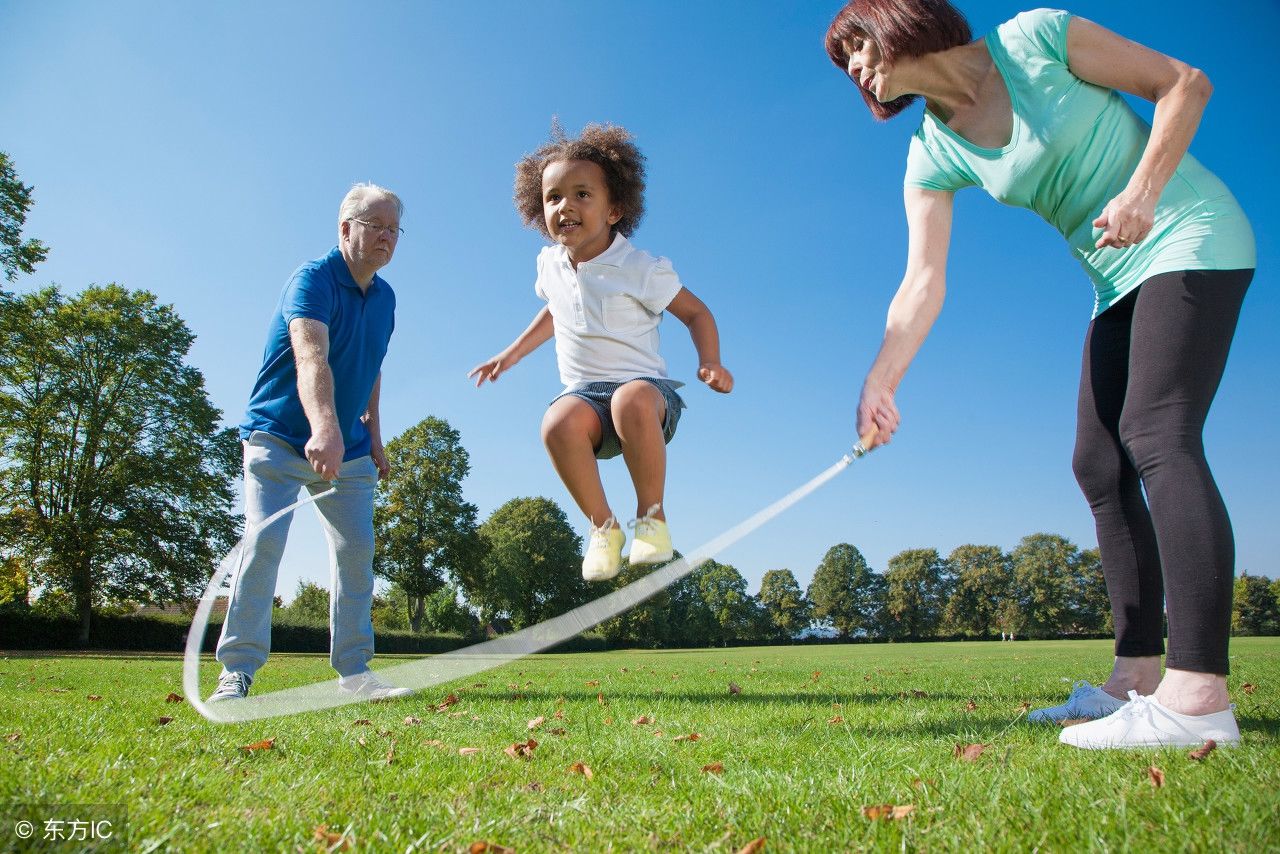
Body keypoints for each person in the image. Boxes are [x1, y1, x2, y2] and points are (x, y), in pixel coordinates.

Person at [825, 2, 1254, 748]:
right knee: (1098, 464)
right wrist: (881, 380)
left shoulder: (1034, 40)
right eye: (846, 63)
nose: (856, 66)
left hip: (1188, 232)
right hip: (1115, 279)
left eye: (857, 44)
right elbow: (922, 282)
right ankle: (1134, 682)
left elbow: (1184, 83)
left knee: (1157, 432)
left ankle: (1199, 697)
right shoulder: (931, 149)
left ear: (904, 19)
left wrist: (1141, 193)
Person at [470, 123, 734, 582]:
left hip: (646, 399)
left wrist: (709, 360)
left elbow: (697, 313)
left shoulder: (639, 267)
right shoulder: (549, 264)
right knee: (556, 421)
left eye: (581, 194)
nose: (565, 206)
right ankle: (602, 527)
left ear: (614, 210)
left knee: (628, 398)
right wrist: (510, 354)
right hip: (586, 401)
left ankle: (652, 519)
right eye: (553, 197)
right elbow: (558, 310)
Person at [208, 183, 411, 702]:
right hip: (280, 438)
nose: (387, 238)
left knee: (356, 553)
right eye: (376, 227)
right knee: (264, 544)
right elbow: (311, 355)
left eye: (394, 230)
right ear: (346, 229)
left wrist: (376, 438)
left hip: (351, 449)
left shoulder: (386, 299)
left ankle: (355, 672)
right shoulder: (312, 279)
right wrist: (324, 428)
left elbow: (371, 371)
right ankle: (238, 670)